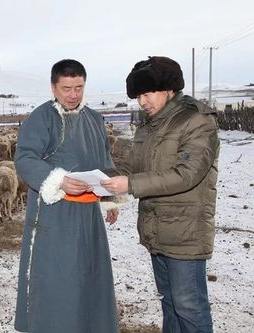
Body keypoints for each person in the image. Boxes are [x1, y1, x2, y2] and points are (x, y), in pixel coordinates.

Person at [101, 56, 219, 333]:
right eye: (138, 96)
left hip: (185, 231)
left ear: (169, 89)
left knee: (190, 307)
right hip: (157, 230)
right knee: (170, 303)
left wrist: (129, 184)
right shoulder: (148, 125)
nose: (142, 102)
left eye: (147, 93)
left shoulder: (196, 121)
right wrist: (99, 178)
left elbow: (187, 174)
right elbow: (133, 165)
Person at [14, 59, 120, 333]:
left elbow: (104, 160)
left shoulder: (94, 119)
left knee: (90, 273)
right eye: (66, 88)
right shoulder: (41, 118)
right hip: (55, 215)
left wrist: (109, 199)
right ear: (53, 87)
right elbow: (25, 157)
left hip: (88, 214)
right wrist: (58, 180)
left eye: (79, 87)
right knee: (59, 276)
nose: (73, 95)